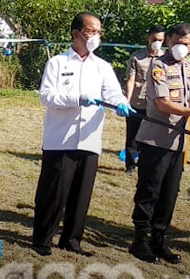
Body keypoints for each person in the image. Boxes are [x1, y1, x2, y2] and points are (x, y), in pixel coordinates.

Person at [32, 13, 135, 257]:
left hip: (89, 139)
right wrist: (77, 99)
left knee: (81, 195)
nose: (95, 37)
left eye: (99, 32)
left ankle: (72, 240)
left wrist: (121, 103)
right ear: (76, 33)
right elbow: (47, 96)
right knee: (54, 193)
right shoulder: (57, 63)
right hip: (61, 138)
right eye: (91, 31)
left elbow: (113, 93)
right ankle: (42, 239)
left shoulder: (102, 67)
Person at [130, 22, 190, 265]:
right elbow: (163, 104)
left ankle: (158, 240)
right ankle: (140, 240)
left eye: (187, 44)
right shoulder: (158, 66)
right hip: (156, 139)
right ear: (169, 41)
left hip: (178, 142)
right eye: (177, 42)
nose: (181, 48)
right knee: (149, 191)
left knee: (169, 193)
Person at [123, 26, 166, 173]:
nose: (157, 43)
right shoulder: (137, 57)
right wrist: (127, 101)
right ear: (148, 38)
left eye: (160, 40)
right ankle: (130, 164)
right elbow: (130, 79)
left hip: (156, 105)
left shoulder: (166, 58)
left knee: (150, 137)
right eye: (154, 39)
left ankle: (145, 163)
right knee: (132, 135)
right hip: (138, 102)